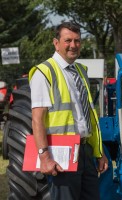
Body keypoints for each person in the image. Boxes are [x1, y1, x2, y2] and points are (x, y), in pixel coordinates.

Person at [29, 22, 108, 200]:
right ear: (56, 43)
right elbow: (37, 119)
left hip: (86, 151)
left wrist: (99, 152)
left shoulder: (81, 71)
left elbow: (87, 117)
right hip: (61, 154)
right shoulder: (44, 72)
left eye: (77, 41)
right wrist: (44, 157)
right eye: (68, 40)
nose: (73, 45)